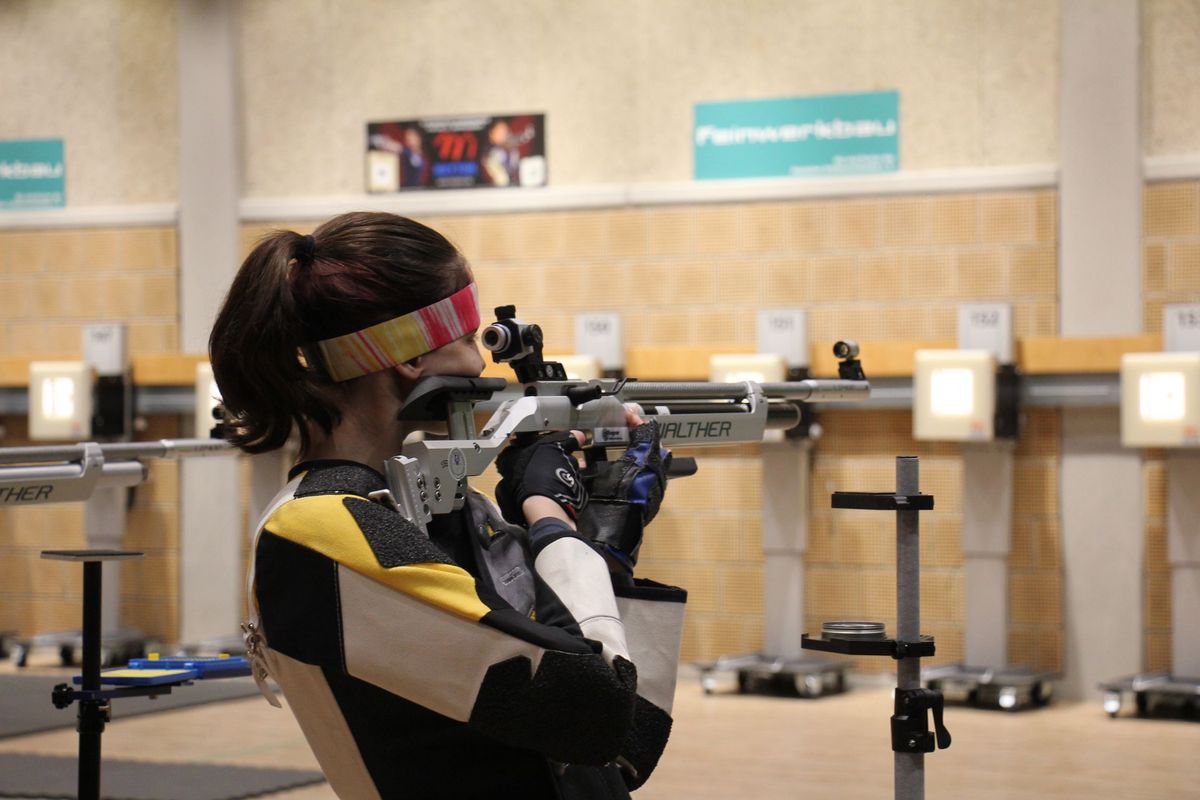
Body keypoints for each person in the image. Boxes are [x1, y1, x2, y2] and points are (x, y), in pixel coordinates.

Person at [209, 211, 686, 799]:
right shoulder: (319, 532)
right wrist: (553, 523)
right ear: (410, 357)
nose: (480, 364)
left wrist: (600, 545)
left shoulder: (433, 509)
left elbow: (627, 742)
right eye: (467, 340)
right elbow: (593, 715)